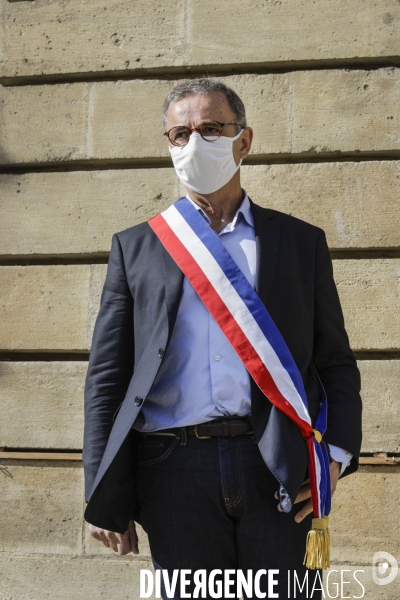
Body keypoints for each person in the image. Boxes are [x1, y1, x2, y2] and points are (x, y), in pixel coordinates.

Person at [83, 78, 362, 599]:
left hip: (275, 463)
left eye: (211, 129)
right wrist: (101, 487)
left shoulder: (299, 242)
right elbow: (107, 379)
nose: (194, 143)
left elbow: (335, 361)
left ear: (244, 141)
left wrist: (336, 456)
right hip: (172, 470)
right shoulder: (136, 247)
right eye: (180, 134)